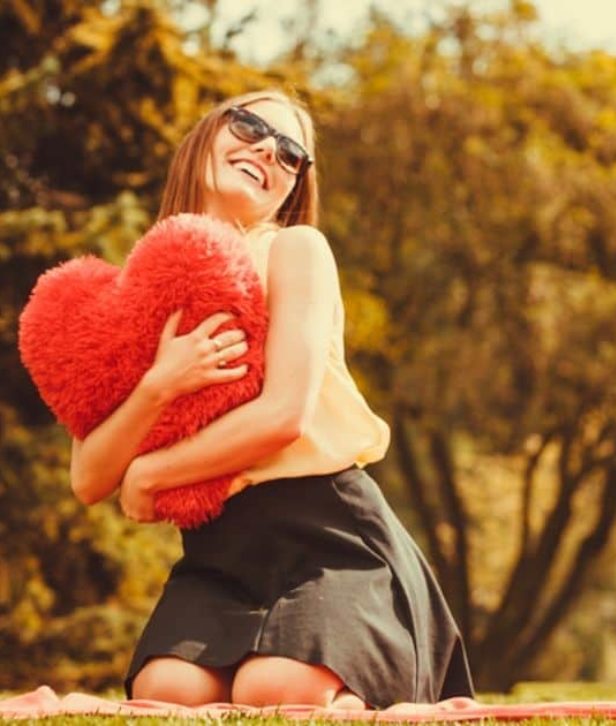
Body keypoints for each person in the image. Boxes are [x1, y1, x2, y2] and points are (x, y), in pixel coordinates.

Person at [68, 90, 473, 709]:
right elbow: (89, 477)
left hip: (330, 539)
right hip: (218, 552)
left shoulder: (294, 249)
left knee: (279, 688)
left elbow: (285, 415)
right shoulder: (130, 292)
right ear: (207, 133)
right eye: (251, 125)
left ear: (294, 187)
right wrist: (159, 385)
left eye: (290, 154)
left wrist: (152, 472)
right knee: (165, 691)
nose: (267, 150)